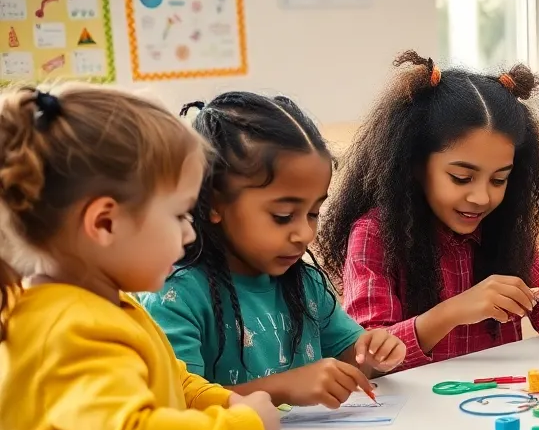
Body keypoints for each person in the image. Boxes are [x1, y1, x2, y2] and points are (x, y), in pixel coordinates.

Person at [0, 84, 281, 430]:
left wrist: (217, 398)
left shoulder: (106, 300)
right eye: (179, 215)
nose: (191, 233)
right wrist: (247, 426)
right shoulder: (70, 327)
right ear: (104, 223)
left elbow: (168, 377)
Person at [316, 52, 539, 368]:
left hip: (497, 400)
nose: (482, 197)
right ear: (414, 165)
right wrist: (454, 311)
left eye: (499, 179)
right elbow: (368, 357)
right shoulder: (375, 234)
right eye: (461, 177)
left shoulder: (503, 228)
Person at [141, 92, 405, 409]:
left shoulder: (305, 284)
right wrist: (282, 388)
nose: (305, 233)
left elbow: (354, 355)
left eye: (313, 213)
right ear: (214, 203)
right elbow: (178, 403)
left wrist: (375, 352)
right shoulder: (177, 296)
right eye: (282, 216)